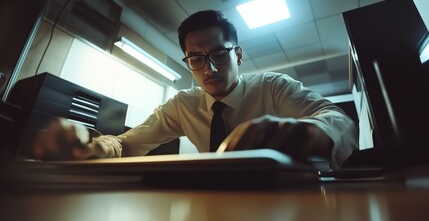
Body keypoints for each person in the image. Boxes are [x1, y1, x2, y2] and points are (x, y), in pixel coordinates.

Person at [32, 10, 358, 169]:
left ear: (239, 55)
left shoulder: (273, 87)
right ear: (187, 60)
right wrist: (92, 148)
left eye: (219, 55)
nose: (210, 69)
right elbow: (127, 144)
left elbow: (336, 118)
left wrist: (306, 132)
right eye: (197, 59)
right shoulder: (182, 106)